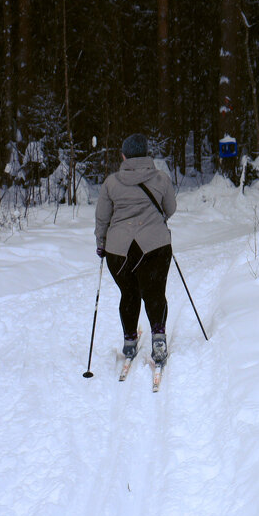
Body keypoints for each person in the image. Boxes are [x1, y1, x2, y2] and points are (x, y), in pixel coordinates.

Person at [94, 134, 177, 364]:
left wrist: (101, 242)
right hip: (155, 247)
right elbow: (170, 208)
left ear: (124, 155)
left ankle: (130, 342)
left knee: (129, 294)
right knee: (155, 292)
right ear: (146, 154)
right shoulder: (161, 179)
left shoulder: (111, 183)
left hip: (119, 251)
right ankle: (158, 339)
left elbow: (102, 218)